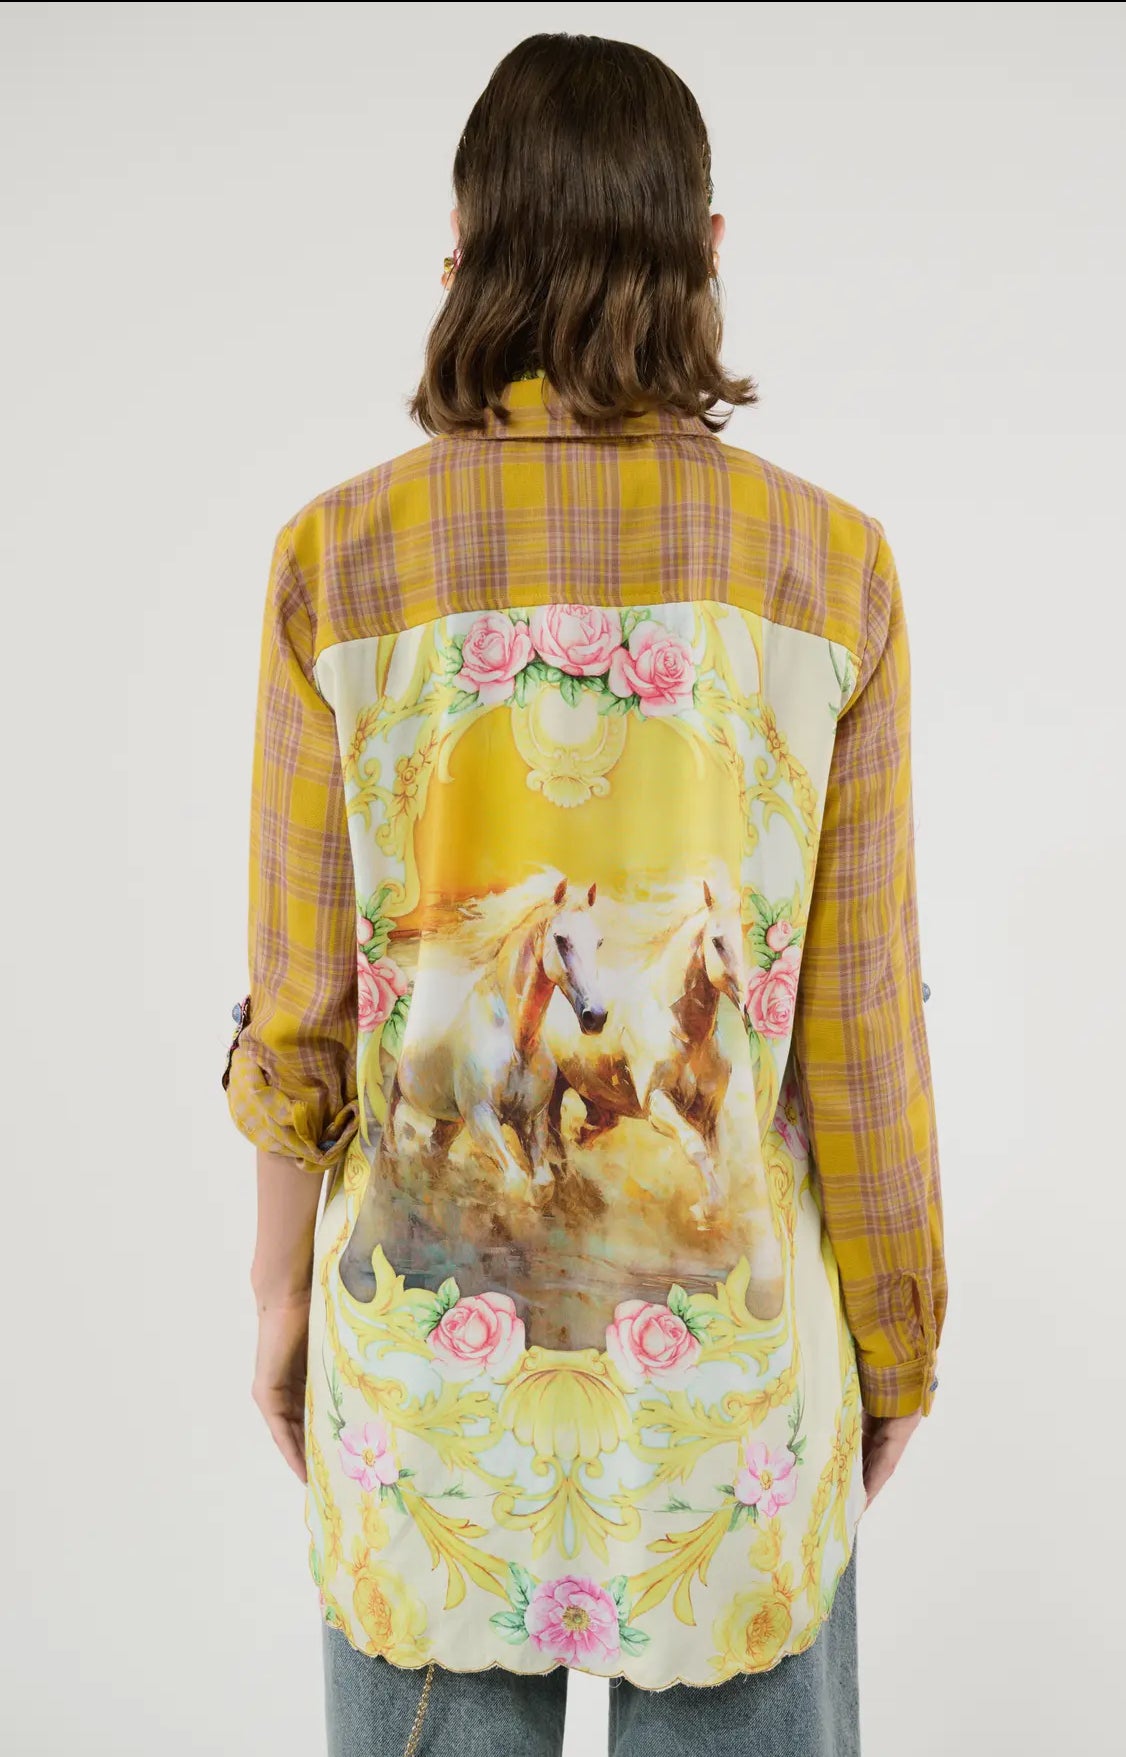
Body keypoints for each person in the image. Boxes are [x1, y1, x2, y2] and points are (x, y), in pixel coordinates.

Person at [223, 31, 946, 1757]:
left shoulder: (334, 562)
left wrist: (276, 1299)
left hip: (429, 1377)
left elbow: (303, 1008)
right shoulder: (830, 569)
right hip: (730, 1397)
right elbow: (856, 1027)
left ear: (462, 254)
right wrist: (897, 1335)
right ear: (706, 251)